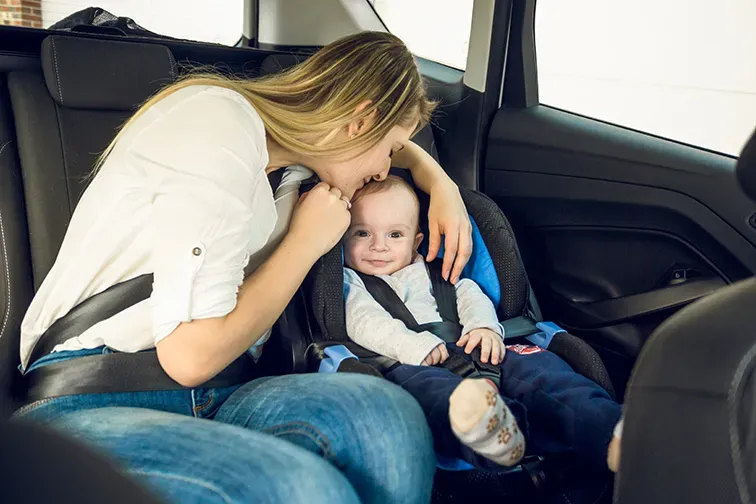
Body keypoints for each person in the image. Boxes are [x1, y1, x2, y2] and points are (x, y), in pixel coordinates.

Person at [13, 32, 476, 504]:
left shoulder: (300, 166)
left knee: (389, 423)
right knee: (304, 489)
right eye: (390, 151)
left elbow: (389, 145)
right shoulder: (218, 124)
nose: (384, 171)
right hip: (96, 391)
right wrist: (304, 243)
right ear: (360, 121)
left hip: (227, 393)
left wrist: (442, 184)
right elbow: (190, 358)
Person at [343, 175, 623, 472]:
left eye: (394, 235)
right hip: (409, 362)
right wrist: (413, 346)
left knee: (544, 374)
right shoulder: (351, 282)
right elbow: (363, 321)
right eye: (362, 233)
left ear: (416, 242)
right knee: (431, 398)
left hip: (474, 345)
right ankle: (492, 437)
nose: (378, 246)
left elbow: (468, 295)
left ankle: (611, 433)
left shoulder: (436, 272)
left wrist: (483, 327)